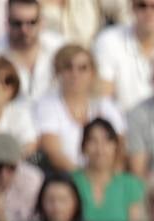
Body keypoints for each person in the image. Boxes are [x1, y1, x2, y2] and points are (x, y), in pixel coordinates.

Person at [33, 44, 125, 173]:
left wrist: (110, 179)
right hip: (65, 178)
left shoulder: (105, 105)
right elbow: (53, 152)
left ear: (92, 73)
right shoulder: (47, 105)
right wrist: (85, 181)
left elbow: (121, 146)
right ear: (58, 71)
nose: (75, 74)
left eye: (83, 68)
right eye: (68, 67)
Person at [73, 118, 146, 221]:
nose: (100, 149)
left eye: (107, 141)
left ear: (116, 147)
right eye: (92, 141)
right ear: (83, 147)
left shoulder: (131, 185)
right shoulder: (71, 183)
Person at [0, 0, 64, 100]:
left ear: (42, 22)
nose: (24, 30)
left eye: (31, 23)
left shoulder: (60, 48)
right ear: (7, 22)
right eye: (17, 23)